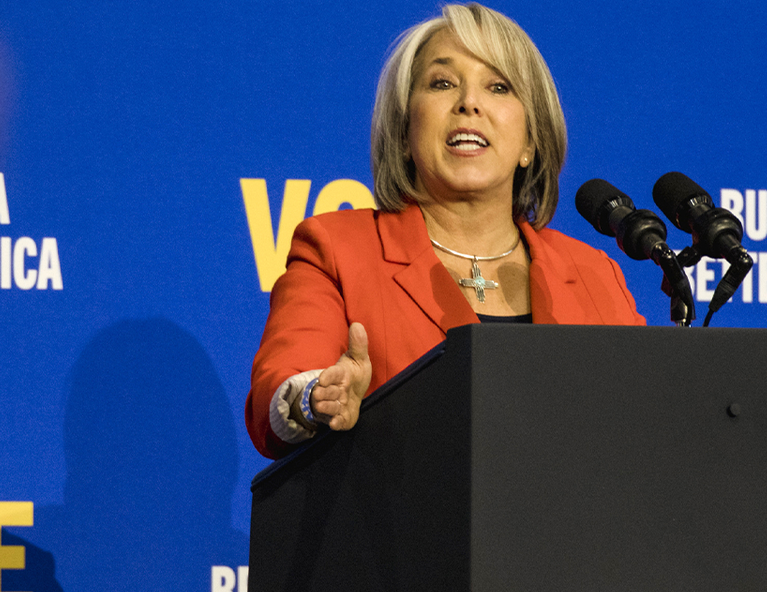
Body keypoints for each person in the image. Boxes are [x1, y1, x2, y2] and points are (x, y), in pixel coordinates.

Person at [247, 3, 645, 459]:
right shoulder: (337, 250)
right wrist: (317, 395)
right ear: (404, 131)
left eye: (498, 86)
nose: (469, 103)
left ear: (530, 143)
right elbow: (280, 387)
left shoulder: (594, 273)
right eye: (442, 83)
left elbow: (639, 425)